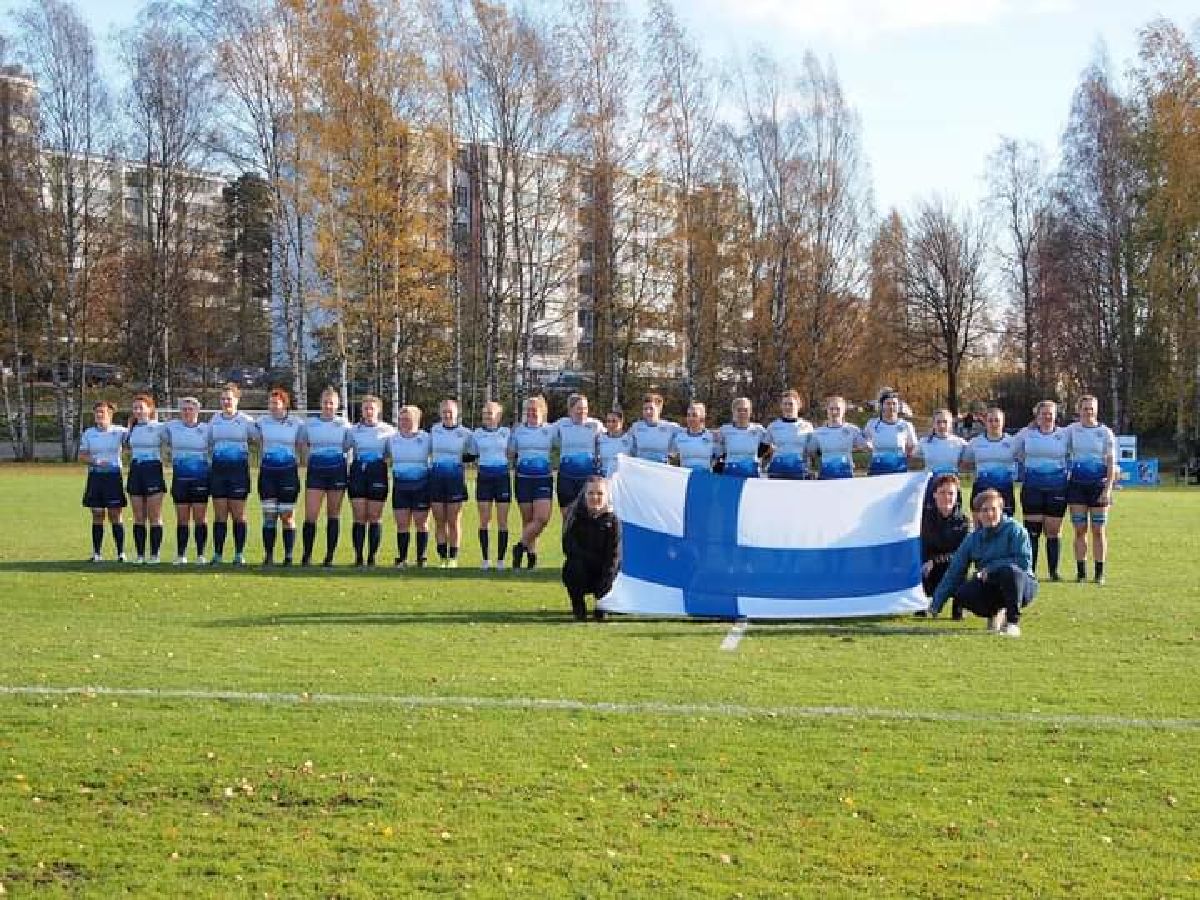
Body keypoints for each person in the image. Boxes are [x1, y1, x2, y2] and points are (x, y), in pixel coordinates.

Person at [928, 488, 1038, 637]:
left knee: (1010, 572)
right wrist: (936, 605)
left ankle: (1012, 623)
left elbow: (1023, 562)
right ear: (978, 514)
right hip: (990, 584)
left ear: (1001, 509)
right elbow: (955, 571)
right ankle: (994, 613)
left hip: (1022, 584)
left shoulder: (1016, 530)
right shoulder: (973, 539)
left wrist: (991, 569)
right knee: (963, 594)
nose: (989, 514)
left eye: (993, 509)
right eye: (984, 510)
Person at [1013, 400, 1070, 580]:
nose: (1047, 417)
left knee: (1053, 531)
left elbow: (1077, 452)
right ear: (1036, 416)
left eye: (1050, 413)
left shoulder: (1065, 434)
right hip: (1032, 488)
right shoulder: (1026, 434)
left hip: (1057, 489)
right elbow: (1014, 451)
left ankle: (1054, 572)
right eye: (1043, 413)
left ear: (1055, 416)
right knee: (1032, 531)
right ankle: (1030, 571)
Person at [1065, 394, 1117, 585]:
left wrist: (1108, 488)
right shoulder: (1071, 430)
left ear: (1097, 410)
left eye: (1092, 408)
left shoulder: (1105, 433)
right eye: (1085, 408)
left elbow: (1111, 463)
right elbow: (1051, 434)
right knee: (1079, 530)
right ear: (1079, 410)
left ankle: (1099, 573)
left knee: (1098, 530)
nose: (1088, 412)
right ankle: (1081, 573)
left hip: (1098, 487)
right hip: (1077, 486)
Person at [301, 387, 351, 567]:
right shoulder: (310, 424)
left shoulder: (344, 424)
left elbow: (347, 446)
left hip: (337, 472)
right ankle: (306, 555)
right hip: (316, 473)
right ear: (320, 404)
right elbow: (303, 443)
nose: (328, 406)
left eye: (332, 403)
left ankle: (329, 556)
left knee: (333, 514)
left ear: (337, 405)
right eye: (325, 403)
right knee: (311, 515)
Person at [208, 383, 257, 565]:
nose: (226, 402)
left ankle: (239, 554)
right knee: (220, 515)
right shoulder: (215, 420)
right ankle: (218, 554)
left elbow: (260, 438)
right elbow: (207, 442)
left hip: (238, 473)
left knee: (239, 515)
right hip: (218, 473)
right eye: (223, 399)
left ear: (237, 400)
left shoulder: (246, 421)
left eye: (229, 398)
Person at [561, 475, 621, 622]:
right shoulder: (574, 516)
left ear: (607, 496)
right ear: (585, 495)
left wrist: (606, 580)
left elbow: (614, 555)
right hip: (582, 568)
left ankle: (602, 605)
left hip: (604, 571)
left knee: (613, 569)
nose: (595, 497)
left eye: (600, 493)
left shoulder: (613, 521)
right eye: (591, 493)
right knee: (572, 567)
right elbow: (568, 546)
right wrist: (588, 560)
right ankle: (578, 605)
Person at [256, 388, 305, 566]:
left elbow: (302, 445)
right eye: (270, 403)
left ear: (285, 404)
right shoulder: (261, 422)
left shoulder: (297, 423)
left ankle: (289, 556)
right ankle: (268, 556)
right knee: (269, 516)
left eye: (276, 403)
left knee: (287, 516)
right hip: (268, 473)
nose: (273, 406)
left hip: (288, 474)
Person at [508, 395, 555, 569]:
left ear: (543, 411)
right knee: (528, 521)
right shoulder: (518, 430)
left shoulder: (551, 430)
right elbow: (510, 453)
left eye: (535, 409)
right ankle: (531, 556)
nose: (531, 412)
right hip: (523, 480)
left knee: (542, 519)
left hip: (543, 479)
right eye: (528, 409)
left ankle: (519, 546)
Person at [346, 395, 394, 566]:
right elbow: (345, 447)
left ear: (378, 410)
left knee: (374, 516)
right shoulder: (353, 430)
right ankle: (358, 557)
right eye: (365, 408)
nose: (368, 411)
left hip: (378, 473)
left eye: (371, 408)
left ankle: (372, 557)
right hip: (358, 472)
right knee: (359, 516)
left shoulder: (388, 430)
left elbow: (391, 452)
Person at [79, 400, 128, 562]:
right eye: (97, 412)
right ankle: (97, 554)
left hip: (113, 478)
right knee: (97, 513)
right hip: (95, 477)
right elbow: (82, 456)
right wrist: (95, 462)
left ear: (110, 414)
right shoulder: (88, 433)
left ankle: (121, 553)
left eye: (103, 412)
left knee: (115, 514)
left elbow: (133, 441)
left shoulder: (120, 431)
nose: (100, 415)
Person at [164, 397, 211, 564]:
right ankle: (181, 555)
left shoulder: (206, 429)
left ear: (197, 411)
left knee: (200, 519)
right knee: (182, 519)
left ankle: (200, 555)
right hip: (180, 480)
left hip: (200, 480)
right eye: (184, 409)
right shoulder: (172, 427)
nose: (187, 412)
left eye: (190, 409)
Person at [916, 474, 970, 617]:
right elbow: (921, 546)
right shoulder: (922, 519)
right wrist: (926, 561)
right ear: (934, 495)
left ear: (957, 495)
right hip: (928, 568)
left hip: (952, 568)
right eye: (942, 493)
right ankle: (921, 604)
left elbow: (962, 554)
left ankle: (959, 605)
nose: (947, 497)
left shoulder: (964, 522)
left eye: (951, 493)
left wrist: (935, 561)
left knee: (958, 571)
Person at [124, 393, 168, 564]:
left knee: (154, 516)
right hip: (136, 471)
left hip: (153, 470)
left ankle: (155, 555)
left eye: (141, 407)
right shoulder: (132, 428)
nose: (138, 411)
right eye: (135, 408)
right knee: (138, 516)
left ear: (150, 409)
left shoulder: (160, 427)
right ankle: (140, 555)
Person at [429, 398, 472, 568]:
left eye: (450, 412)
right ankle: (442, 557)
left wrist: (459, 462)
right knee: (439, 520)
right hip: (436, 479)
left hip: (455, 480)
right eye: (444, 412)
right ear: (440, 413)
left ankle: (453, 557)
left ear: (457, 413)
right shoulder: (434, 430)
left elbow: (473, 453)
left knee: (453, 520)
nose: (447, 415)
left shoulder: (465, 433)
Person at [388, 404, 432, 568]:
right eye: (402, 419)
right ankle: (402, 558)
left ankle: (421, 558)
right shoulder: (392, 439)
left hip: (421, 486)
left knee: (421, 523)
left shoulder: (427, 438)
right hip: (400, 486)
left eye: (408, 419)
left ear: (417, 420)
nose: (404, 422)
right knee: (402, 524)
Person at [469, 401, 512, 571]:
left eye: (491, 413)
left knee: (502, 521)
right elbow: (472, 454)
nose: (487, 416)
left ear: (499, 416)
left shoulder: (506, 433)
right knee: (484, 520)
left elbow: (511, 452)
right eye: (485, 413)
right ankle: (485, 559)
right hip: (484, 478)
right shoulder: (476, 434)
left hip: (502, 478)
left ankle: (500, 560)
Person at [962, 407, 1018, 516]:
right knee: (980, 527)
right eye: (990, 420)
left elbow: (1023, 459)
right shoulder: (975, 442)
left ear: (1003, 422)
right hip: (981, 489)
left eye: (997, 420)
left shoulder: (1013, 442)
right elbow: (966, 464)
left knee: (1004, 528)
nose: (993, 423)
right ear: (985, 422)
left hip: (1005, 490)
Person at [552, 393, 604, 511]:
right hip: (566, 478)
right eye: (579, 408)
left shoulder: (595, 425)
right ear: (570, 410)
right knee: (568, 517)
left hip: (588, 479)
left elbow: (610, 440)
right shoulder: (561, 424)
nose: (583, 412)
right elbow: (544, 436)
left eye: (585, 408)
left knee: (589, 515)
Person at [915, 408, 967, 506]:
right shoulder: (924, 442)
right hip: (931, 486)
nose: (942, 425)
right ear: (933, 424)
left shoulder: (960, 443)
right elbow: (914, 462)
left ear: (950, 424)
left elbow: (969, 462)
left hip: (952, 487)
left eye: (945, 422)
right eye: (938, 422)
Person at [809, 395, 867, 479]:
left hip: (846, 475)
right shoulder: (818, 432)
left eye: (838, 409)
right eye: (831, 409)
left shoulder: (853, 429)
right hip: (825, 476)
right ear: (827, 410)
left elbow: (867, 447)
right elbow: (809, 453)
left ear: (844, 411)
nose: (834, 412)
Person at [863, 389, 917, 475]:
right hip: (877, 469)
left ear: (898, 406)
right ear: (882, 405)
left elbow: (912, 447)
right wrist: (867, 445)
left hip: (899, 469)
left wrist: (903, 459)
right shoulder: (872, 423)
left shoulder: (906, 425)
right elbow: (865, 441)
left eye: (894, 404)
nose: (891, 407)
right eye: (888, 404)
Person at [764, 390, 814, 479]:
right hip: (777, 472)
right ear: (781, 406)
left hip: (800, 472)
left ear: (798, 405)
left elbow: (813, 451)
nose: (787, 407)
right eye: (785, 404)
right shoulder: (773, 426)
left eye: (791, 404)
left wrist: (814, 469)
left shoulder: (807, 426)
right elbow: (763, 451)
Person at [717, 397, 768, 477]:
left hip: (752, 473)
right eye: (739, 410)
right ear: (733, 411)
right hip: (730, 473)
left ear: (750, 412)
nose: (742, 413)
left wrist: (765, 465)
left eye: (745, 410)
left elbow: (771, 447)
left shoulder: (759, 430)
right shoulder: (724, 430)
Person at [629, 393, 680, 464]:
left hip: (661, 469)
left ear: (659, 410)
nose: (648, 412)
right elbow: (629, 449)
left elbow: (684, 443)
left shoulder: (671, 427)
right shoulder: (636, 427)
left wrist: (672, 455)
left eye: (651, 409)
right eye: (645, 409)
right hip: (640, 469)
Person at [670, 401, 717, 471]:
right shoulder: (679, 436)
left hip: (705, 477)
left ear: (702, 417)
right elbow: (671, 456)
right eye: (688, 415)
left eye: (694, 415)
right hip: (685, 477)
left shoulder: (712, 436)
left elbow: (717, 457)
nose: (690, 418)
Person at [597, 409, 633, 477]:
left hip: (622, 479)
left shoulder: (629, 439)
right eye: (608, 421)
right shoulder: (600, 439)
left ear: (621, 422)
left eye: (614, 421)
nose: (611, 424)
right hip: (603, 478)